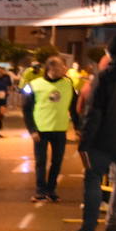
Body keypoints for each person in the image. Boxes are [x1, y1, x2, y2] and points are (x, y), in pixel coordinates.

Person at [64, 36, 116, 231]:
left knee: (92, 180)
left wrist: (84, 140)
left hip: (102, 141)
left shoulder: (104, 77)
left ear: (109, 53)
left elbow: (94, 111)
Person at [23, 54, 75, 203]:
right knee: (41, 161)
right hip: (40, 130)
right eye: (60, 67)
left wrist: (78, 127)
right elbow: (26, 109)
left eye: (64, 67)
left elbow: (73, 106)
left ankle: (51, 190)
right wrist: (32, 130)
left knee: (57, 162)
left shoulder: (68, 83)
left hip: (60, 129)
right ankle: (40, 191)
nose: (64, 69)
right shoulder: (33, 85)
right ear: (50, 68)